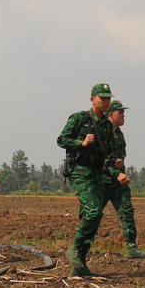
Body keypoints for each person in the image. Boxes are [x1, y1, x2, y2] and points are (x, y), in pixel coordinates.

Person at [57, 83, 117, 277]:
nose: (106, 101)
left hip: (98, 173)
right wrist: (81, 143)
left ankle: (79, 265)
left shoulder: (107, 125)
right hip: (80, 172)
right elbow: (61, 140)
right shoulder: (79, 118)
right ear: (92, 99)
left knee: (91, 216)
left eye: (108, 98)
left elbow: (108, 151)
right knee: (93, 211)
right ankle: (74, 250)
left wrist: (115, 165)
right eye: (102, 98)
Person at [105, 100, 145, 258]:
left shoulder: (119, 134)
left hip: (118, 180)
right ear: (111, 114)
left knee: (126, 210)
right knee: (92, 215)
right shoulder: (102, 132)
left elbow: (120, 157)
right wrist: (114, 169)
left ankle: (131, 247)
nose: (123, 115)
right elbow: (98, 159)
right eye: (120, 112)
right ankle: (80, 250)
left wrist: (120, 168)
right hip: (103, 180)